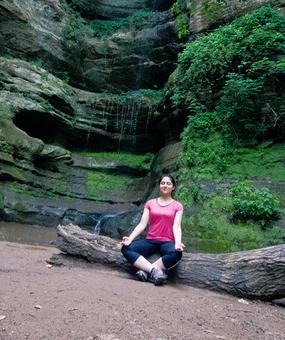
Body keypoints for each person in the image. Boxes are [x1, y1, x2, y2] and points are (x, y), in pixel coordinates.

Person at [121, 173, 184, 285]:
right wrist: (130, 239)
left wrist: (178, 243)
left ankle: (145, 272)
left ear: (173, 187)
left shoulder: (177, 206)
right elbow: (142, 224)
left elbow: (177, 226)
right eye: (163, 183)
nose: (165, 185)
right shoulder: (150, 203)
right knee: (126, 248)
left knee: (177, 253)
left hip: (167, 242)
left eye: (168, 184)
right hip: (150, 240)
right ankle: (153, 271)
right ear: (159, 185)